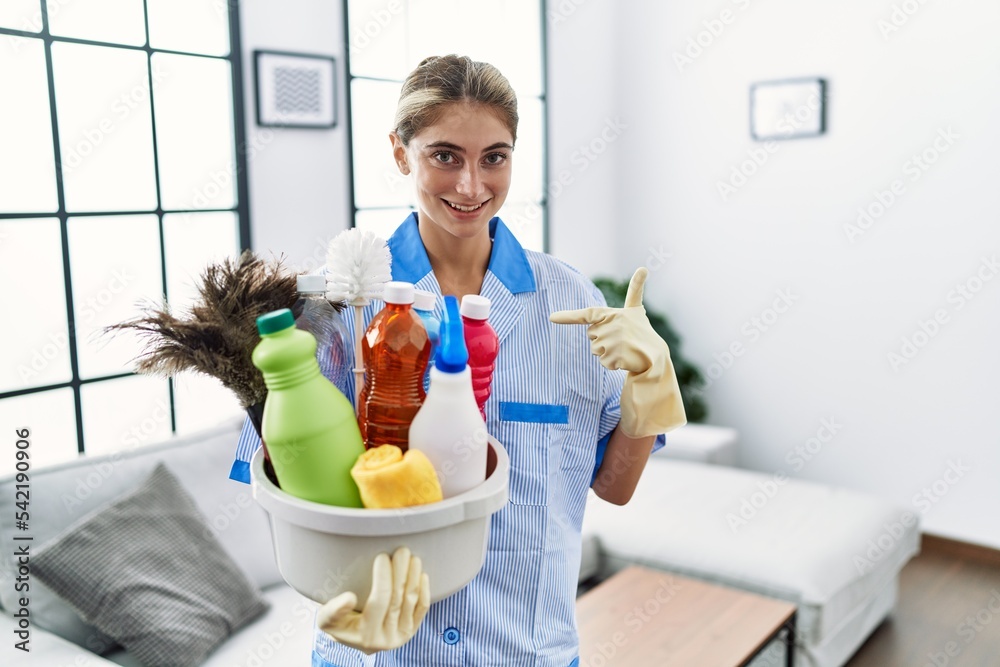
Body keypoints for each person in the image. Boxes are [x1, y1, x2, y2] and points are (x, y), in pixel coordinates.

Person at [232, 54, 686, 667]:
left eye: (493, 158)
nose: (471, 186)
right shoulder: (335, 308)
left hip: (528, 652)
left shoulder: (570, 303)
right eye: (445, 155)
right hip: (378, 655)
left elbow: (614, 487)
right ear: (400, 153)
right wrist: (336, 604)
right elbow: (289, 494)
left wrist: (653, 383)